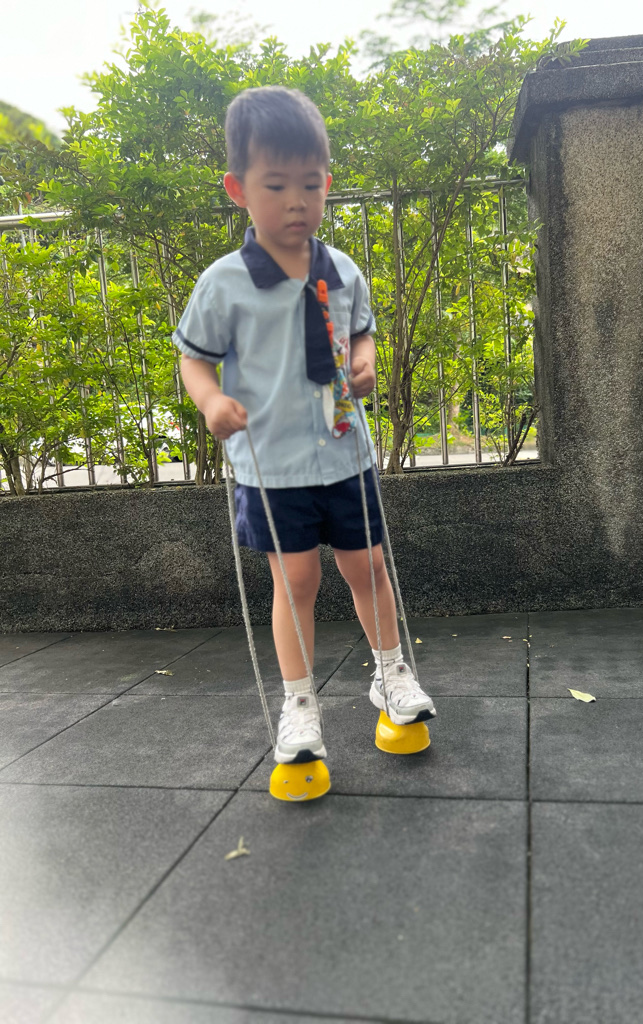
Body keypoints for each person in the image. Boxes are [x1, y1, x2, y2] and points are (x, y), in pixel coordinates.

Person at [174, 86, 435, 765]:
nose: (297, 201)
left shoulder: (342, 269)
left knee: (368, 565)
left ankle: (391, 671)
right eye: (276, 185)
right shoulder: (224, 284)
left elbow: (362, 331)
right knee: (296, 584)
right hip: (272, 466)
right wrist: (210, 401)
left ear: (327, 183)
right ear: (238, 188)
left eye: (311, 184)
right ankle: (298, 703)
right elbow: (193, 359)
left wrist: (366, 360)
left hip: (345, 455)